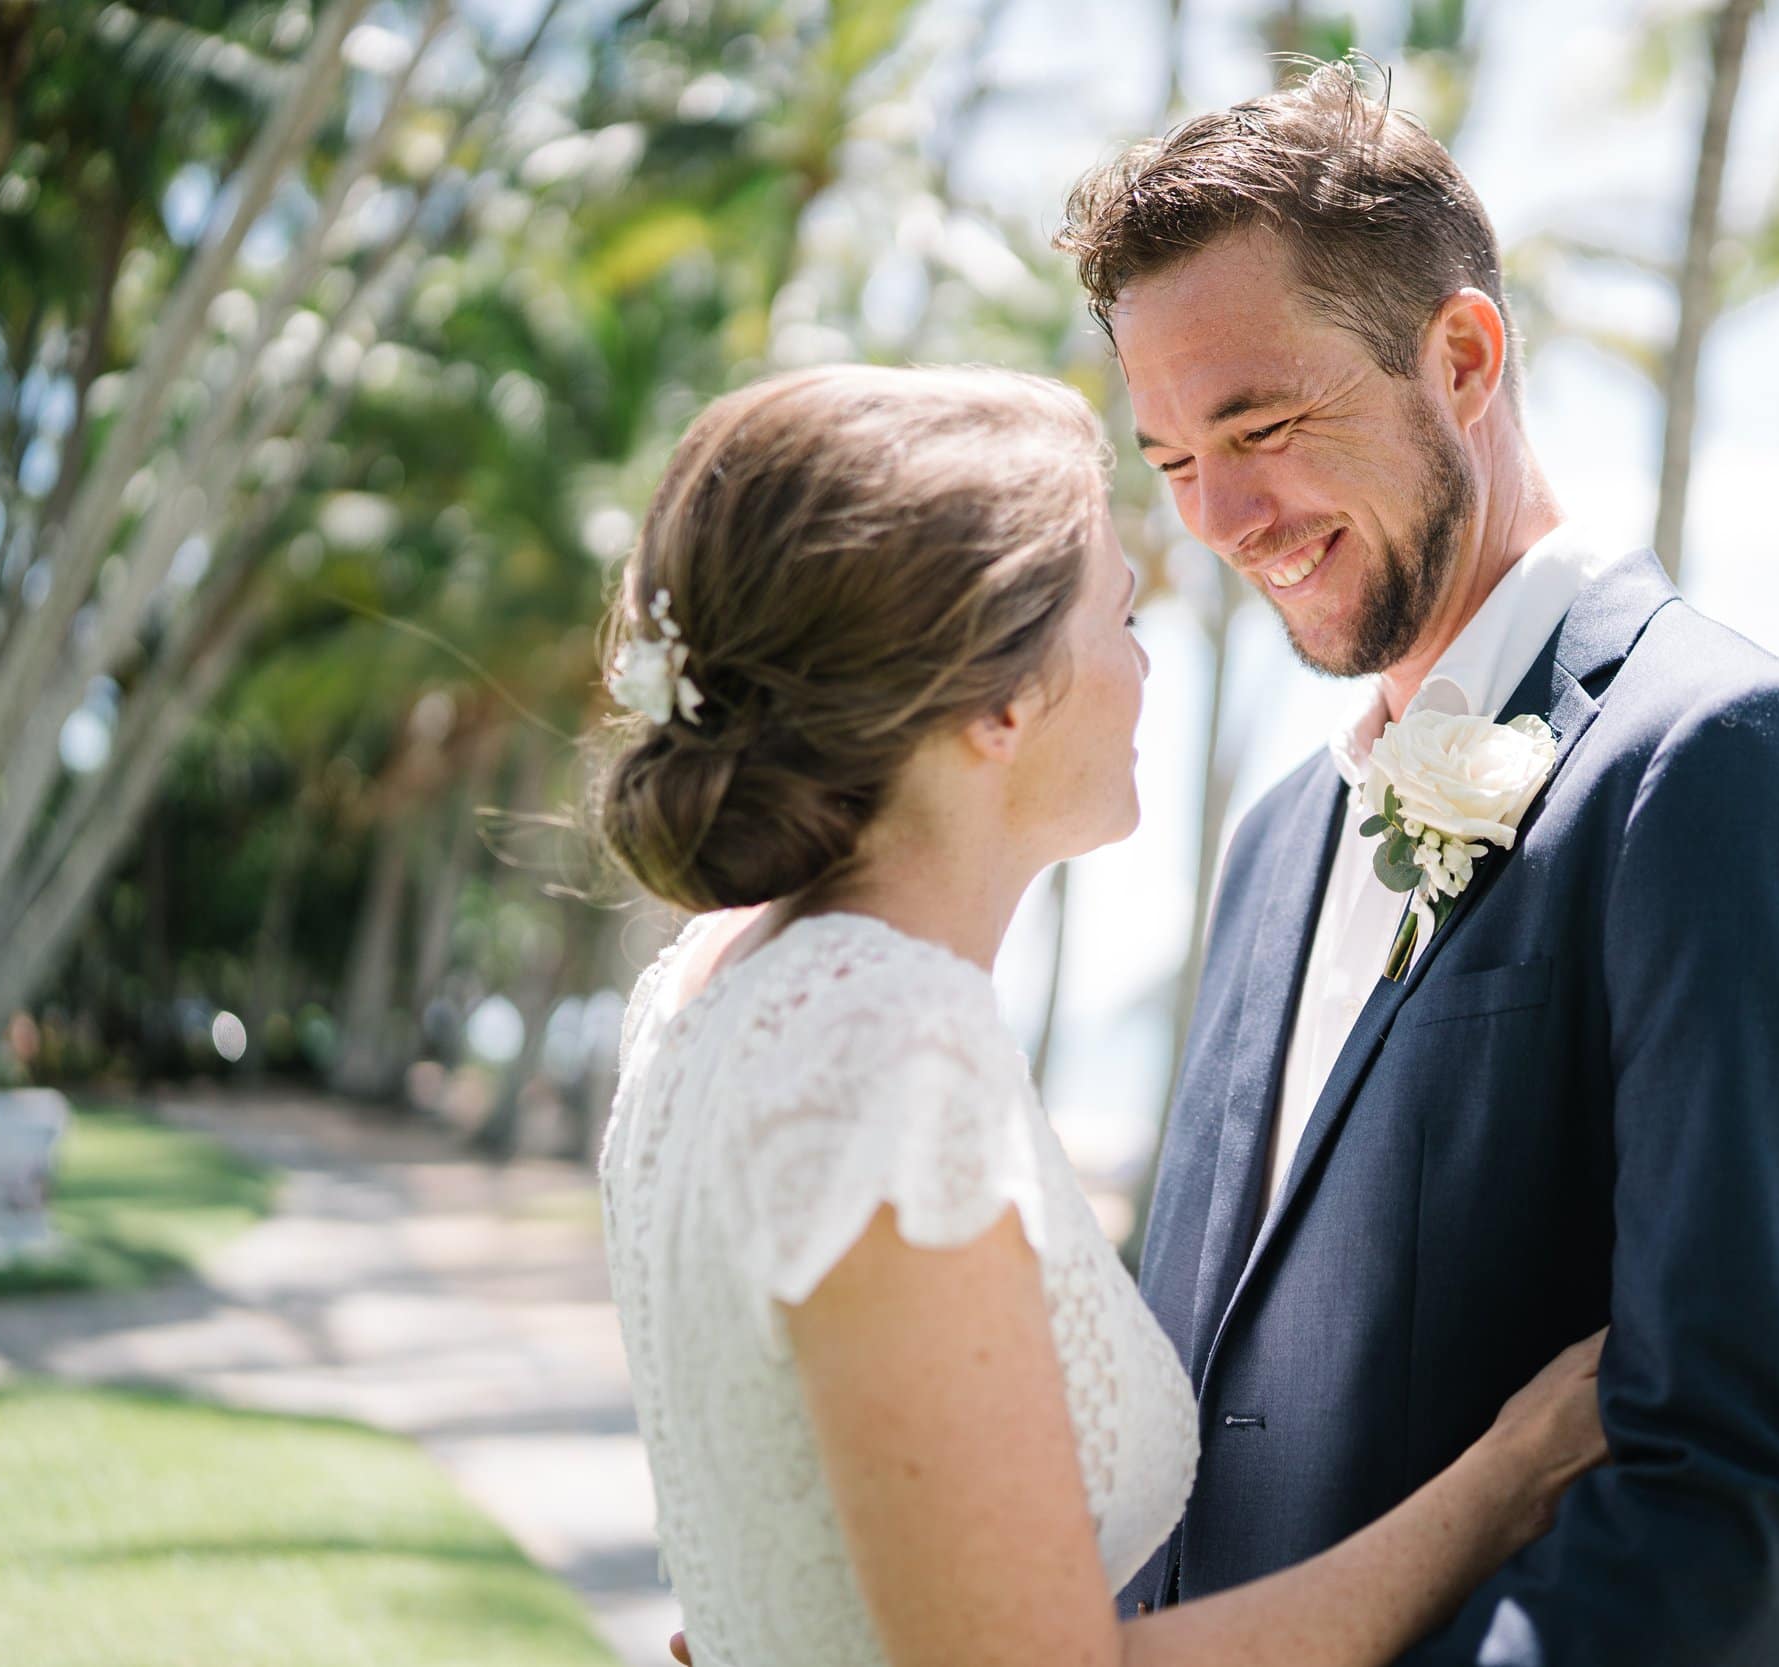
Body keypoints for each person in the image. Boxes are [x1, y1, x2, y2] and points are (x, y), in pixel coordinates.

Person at [1056, 64, 1779, 1665]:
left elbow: (1746, 1510)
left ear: (1462, 356)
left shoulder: (1730, 764)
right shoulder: (1275, 843)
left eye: (1261, 423)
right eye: (1177, 460)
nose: (1225, 517)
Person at [594, 362, 1609, 1667]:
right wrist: (1506, 1479)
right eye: (1121, 616)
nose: (1144, 667)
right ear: (999, 701)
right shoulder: (884, 1035)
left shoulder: (705, 985)